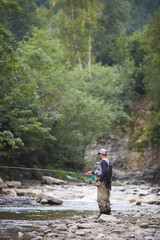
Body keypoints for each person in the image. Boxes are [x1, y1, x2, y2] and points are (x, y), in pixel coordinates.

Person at [85, 148, 112, 217]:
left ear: (102, 154)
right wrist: (92, 172)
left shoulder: (103, 162)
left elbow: (104, 172)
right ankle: (108, 211)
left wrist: (99, 181)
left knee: (101, 197)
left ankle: (102, 213)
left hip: (102, 181)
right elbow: (102, 171)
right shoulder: (108, 161)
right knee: (106, 196)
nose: (98, 155)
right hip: (107, 181)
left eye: (99, 154)